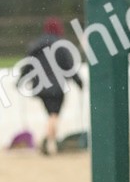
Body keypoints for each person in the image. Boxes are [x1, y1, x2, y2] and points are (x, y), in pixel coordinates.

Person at [17, 17, 84, 155]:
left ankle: (50, 143)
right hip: (56, 87)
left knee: (50, 115)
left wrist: (21, 80)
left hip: (40, 87)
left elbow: (28, 65)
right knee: (54, 115)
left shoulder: (36, 46)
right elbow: (68, 66)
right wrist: (78, 82)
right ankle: (47, 140)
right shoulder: (61, 46)